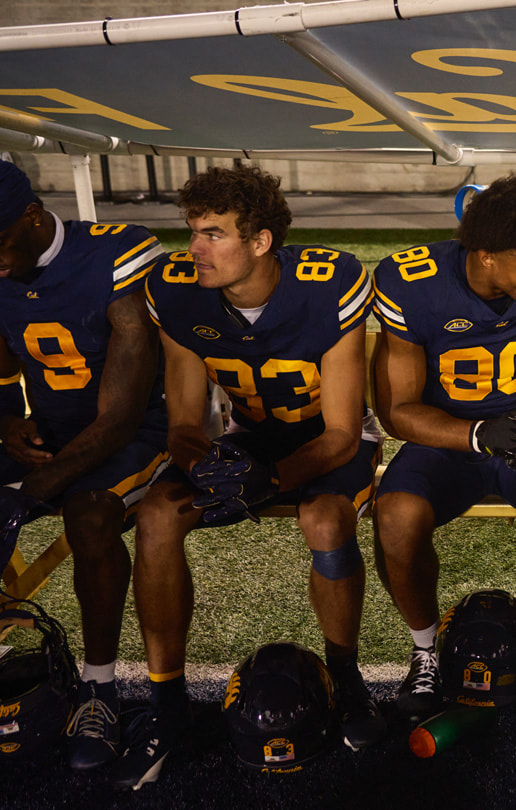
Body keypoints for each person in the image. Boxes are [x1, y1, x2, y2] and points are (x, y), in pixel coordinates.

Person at [114, 165, 385, 789]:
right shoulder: (177, 294)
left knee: (323, 518)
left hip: (326, 440)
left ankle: (345, 677)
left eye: (213, 234)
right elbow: (184, 423)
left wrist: (265, 481)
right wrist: (207, 464)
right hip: (246, 437)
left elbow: (343, 432)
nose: (195, 249)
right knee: (156, 516)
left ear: (260, 241)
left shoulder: (330, 285)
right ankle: (167, 701)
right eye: (193, 232)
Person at [370, 175, 516, 728]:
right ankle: (425, 652)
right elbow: (397, 410)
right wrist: (476, 434)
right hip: (450, 439)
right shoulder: (412, 284)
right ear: (485, 257)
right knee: (395, 516)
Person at [0, 160, 168, 771]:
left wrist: (25, 492)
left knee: (89, 515)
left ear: (32, 215)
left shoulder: (113, 259)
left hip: (142, 432)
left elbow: (120, 418)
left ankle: (99, 690)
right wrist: (7, 424)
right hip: (51, 432)